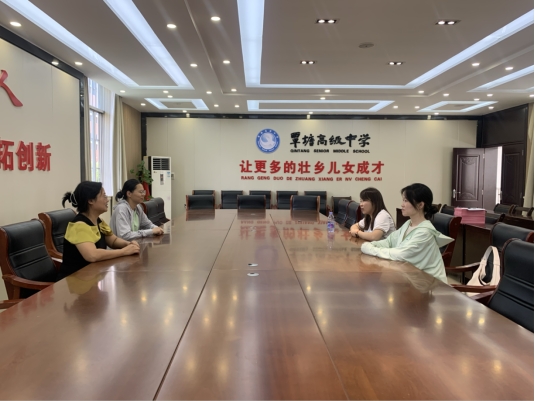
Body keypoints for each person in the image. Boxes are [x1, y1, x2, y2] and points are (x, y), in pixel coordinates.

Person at [360, 183, 453, 283]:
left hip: (429, 284)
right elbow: (388, 242)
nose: (402, 204)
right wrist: (370, 245)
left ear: (420, 205)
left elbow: (401, 255)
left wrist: (370, 248)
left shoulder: (425, 232)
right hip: (411, 278)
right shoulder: (408, 224)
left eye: (406, 201)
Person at [58, 181, 140, 280]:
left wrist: (128, 244)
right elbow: (92, 255)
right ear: (91, 200)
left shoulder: (98, 221)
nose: (107, 200)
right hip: (76, 280)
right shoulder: (79, 226)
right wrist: (124, 251)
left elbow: (113, 241)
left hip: (92, 275)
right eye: (104, 196)